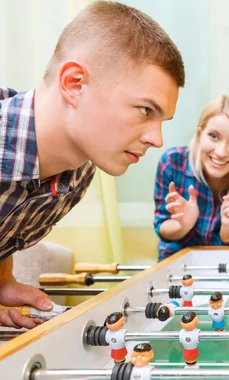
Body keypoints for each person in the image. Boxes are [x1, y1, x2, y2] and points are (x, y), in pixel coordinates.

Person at [0, 1, 184, 329]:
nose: (157, 139)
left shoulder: (81, 172)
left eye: (162, 120)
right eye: (145, 110)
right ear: (74, 84)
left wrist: (2, 277)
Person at [154, 95, 229, 261]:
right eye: (213, 136)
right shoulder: (172, 162)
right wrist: (183, 225)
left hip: (226, 264)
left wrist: (228, 227)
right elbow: (161, 228)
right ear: (200, 135)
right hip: (177, 264)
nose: (221, 152)